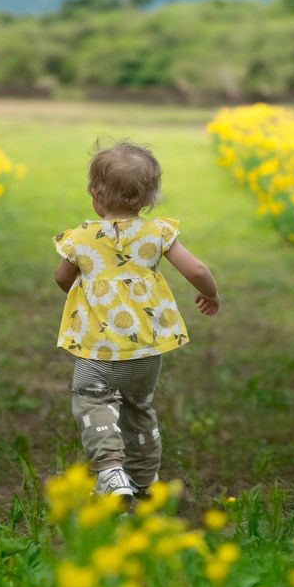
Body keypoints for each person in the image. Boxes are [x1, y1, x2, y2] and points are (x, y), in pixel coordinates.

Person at [52, 140, 219, 499]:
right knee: (139, 408)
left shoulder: (81, 238)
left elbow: (62, 278)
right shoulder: (157, 233)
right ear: (148, 199)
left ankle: (110, 471)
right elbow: (197, 270)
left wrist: (84, 289)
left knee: (92, 400)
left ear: (94, 192)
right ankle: (144, 479)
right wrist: (211, 295)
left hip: (97, 350)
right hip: (145, 350)